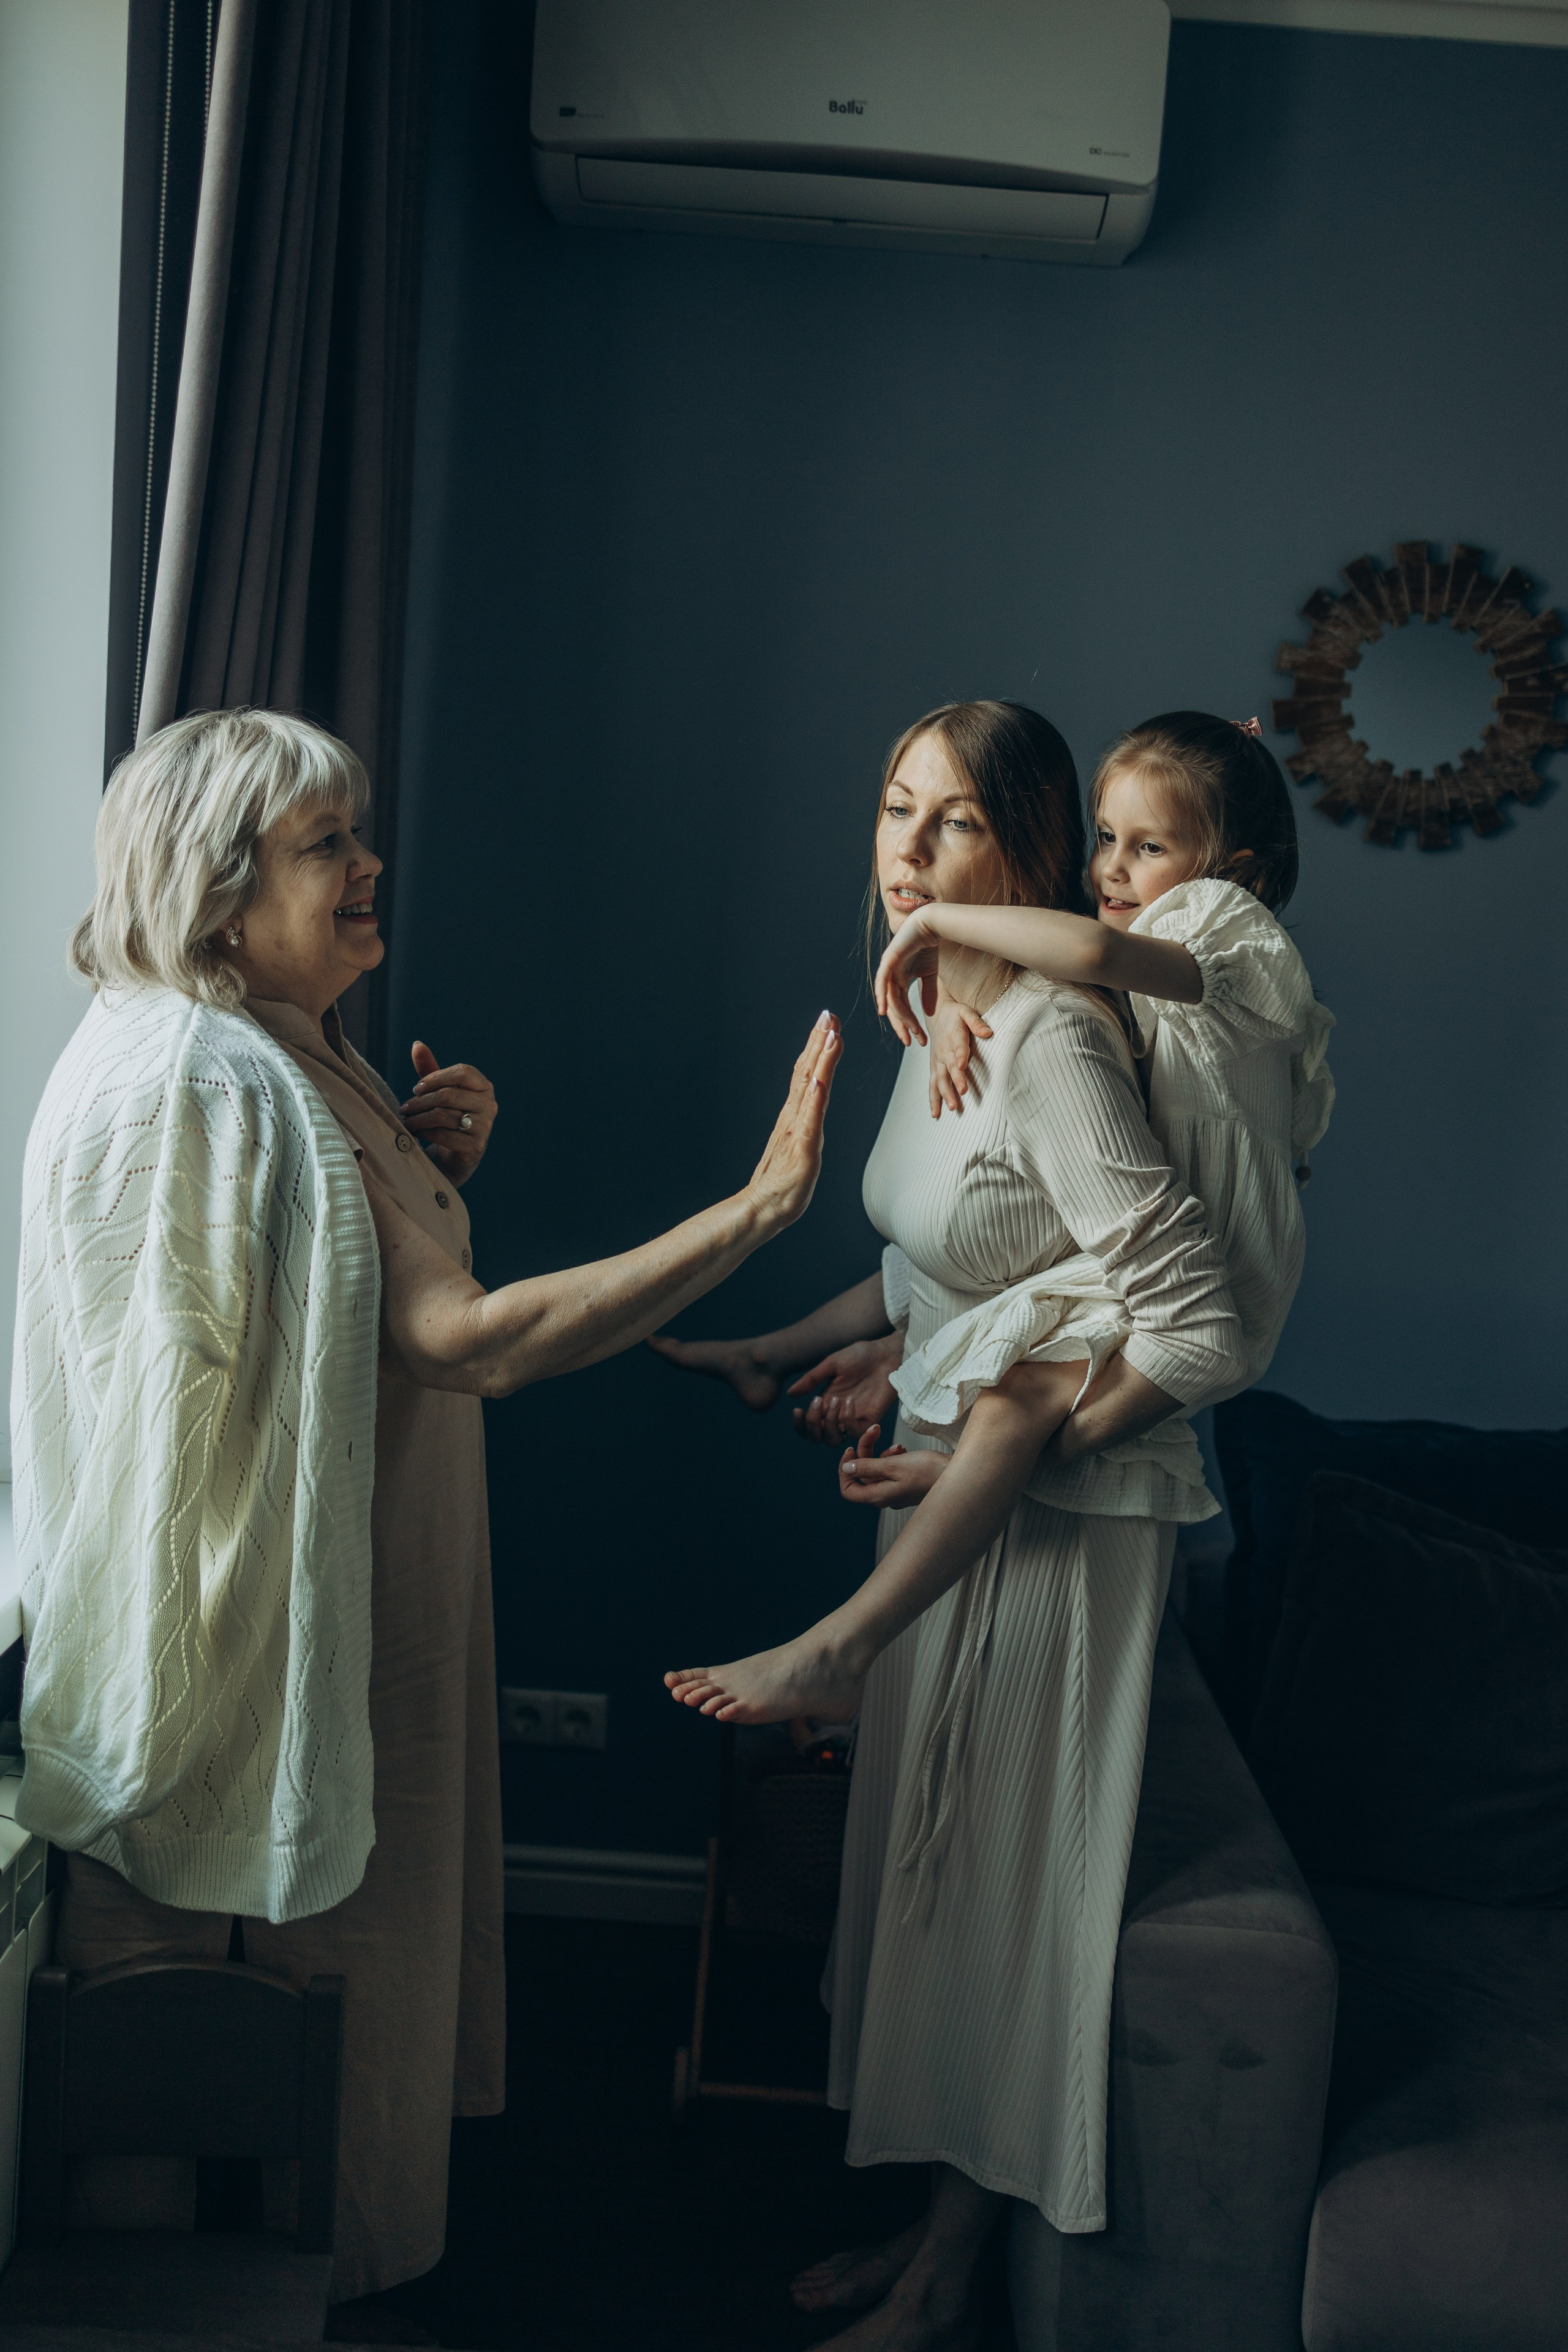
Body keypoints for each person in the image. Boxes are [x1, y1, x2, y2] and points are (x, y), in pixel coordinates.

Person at [10, 707, 840, 2338]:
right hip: (303, 1604)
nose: (372, 863)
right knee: (320, 1958)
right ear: (219, 890)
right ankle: (334, 2274)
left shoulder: (257, 1044)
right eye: (330, 844)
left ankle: (307, 2262)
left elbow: (338, 1271)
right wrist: (757, 1213)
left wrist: (420, 1161)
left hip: (369, 1558)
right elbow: (466, 1341)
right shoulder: (226, 1078)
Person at [654, 700, 1247, 2351]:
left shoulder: (1054, 1032)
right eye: (896, 811)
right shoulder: (941, 1010)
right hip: (944, 1516)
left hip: (1052, 1533)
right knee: (924, 1889)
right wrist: (814, 1346)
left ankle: (953, 2278)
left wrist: (1022, 1430)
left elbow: (1181, 1313)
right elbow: (956, 1263)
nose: (910, 853)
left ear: (1030, 854)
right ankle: (926, 2230)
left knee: (1001, 1902)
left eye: (957, 823)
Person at [666, 709, 1334, 1731]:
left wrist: (934, 927)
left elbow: (1072, 962)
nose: (1113, 870)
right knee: (986, 1347)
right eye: (1107, 839)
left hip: (1227, 1265)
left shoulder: (1222, 934)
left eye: (1147, 847)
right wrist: (948, 1021)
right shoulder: (1102, 961)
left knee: (1019, 1402)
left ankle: (843, 1645)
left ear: (1231, 867)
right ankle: (786, 1362)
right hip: (1156, 1245)